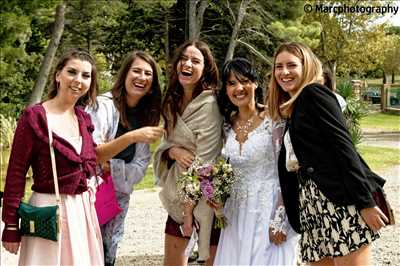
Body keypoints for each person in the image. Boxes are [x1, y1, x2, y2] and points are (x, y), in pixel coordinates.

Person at [267, 42, 387, 266]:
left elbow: (344, 148)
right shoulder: (292, 107)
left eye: (291, 65)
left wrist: (365, 202)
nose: (284, 72)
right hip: (311, 208)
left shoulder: (314, 93)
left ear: (307, 66)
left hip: (337, 202)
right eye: (278, 66)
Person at [1, 48, 104, 265]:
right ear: (58, 75)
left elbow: (89, 162)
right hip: (48, 211)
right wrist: (11, 224)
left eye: (86, 76)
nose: (78, 80)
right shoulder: (35, 117)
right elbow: (16, 172)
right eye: (72, 72)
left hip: (82, 211)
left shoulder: (83, 119)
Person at [213, 58, 298, 265]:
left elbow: (286, 171)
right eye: (231, 83)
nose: (238, 88)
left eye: (244, 81)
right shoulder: (226, 125)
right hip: (235, 213)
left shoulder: (274, 119)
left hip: (267, 208)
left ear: (255, 83)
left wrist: (279, 219)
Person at [86, 51, 164, 266]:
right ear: (125, 74)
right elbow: (93, 153)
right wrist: (132, 137)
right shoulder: (102, 105)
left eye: (148, 73)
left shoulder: (146, 115)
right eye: (136, 70)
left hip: (118, 199)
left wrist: (113, 166)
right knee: (85, 250)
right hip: (89, 194)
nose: (141, 77)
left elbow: (139, 168)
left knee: (108, 252)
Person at [153, 39, 223, 266]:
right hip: (177, 189)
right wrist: (172, 151)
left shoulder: (209, 104)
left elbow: (206, 162)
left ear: (205, 69)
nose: (188, 64)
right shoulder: (171, 101)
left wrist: (189, 209)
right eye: (184, 59)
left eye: (196, 61)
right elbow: (165, 143)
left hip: (205, 195)